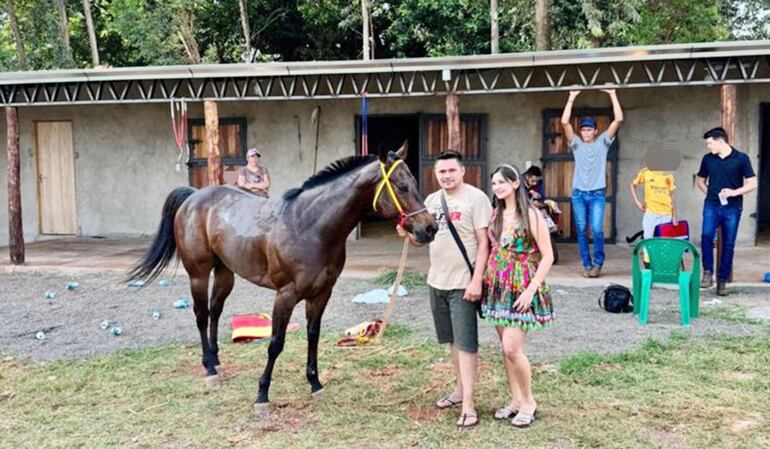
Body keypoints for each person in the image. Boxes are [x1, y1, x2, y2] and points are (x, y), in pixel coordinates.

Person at [396, 150, 492, 429]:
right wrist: (407, 235)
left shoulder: (476, 198)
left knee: (466, 344)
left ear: (462, 171)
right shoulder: (430, 201)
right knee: (451, 341)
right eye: (442, 172)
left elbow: (483, 243)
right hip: (436, 281)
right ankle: (459, 390)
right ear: (435, 174)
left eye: (452, 170)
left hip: (463, 283)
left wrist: (476, 280)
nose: (447, 176)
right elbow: (423, 241)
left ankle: (469, 404)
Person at [483, 164, 554, 428]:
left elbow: (548, 256)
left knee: (513, 347)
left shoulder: (532, 215)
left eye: (502, 182)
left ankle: (528, 402)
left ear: (515, 184)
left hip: (523, 284)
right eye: (493, 184)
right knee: (505, 349)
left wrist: (532, 288)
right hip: (498, 284)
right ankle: (514, 400)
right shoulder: (496, 214)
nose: (497, 187)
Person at [561, 88, 624, 278]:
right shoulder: (577, 144)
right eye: (583, 129)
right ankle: (587, 265)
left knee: (596, 229)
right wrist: (572, 98)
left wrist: (612, 93)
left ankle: (598, 263)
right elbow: (564, 122)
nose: (586, 132)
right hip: (578, 193)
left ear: (595, 131)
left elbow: (618, 120)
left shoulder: (603, 142)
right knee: (581, 229)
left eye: (589, 129)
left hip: (597, 193)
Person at [696, 127, 757, 296]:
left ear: (720, 140)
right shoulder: (708, 159)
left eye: (709, 143)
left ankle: (722, 281)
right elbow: (700, 181)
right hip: (712, 205)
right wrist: (710, 193)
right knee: (706, 236)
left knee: (729, 244)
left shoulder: (741, 158)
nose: (708, 147)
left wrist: (733, 192)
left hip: (733, 207)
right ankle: (708, 272)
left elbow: (752, 183)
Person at [629, 166, 677, 239]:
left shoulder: (668, 174)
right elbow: (632, 184)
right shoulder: (645, 172)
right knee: (648, 239)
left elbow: (672, 195)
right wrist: (637, 202)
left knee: (663, 242)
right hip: (651, 213)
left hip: (666, 214)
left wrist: (674, 217)